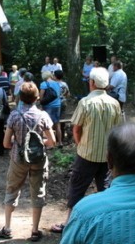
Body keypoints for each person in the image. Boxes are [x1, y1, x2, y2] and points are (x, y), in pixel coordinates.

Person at [51, 67, 121, 233]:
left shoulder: (86, 102)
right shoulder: (115, 104)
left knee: (77, 188)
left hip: (86, 154)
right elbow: (118, 130)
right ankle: (108, 225)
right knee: (106, 190)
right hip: (108, 156)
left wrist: (79, 144)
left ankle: (69, 223)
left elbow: (76, 129)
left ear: (92, 83)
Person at [0, 82, 55, 242]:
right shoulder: (43, 116)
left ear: (20, 98)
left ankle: (7, 228)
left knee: (12, 190)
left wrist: (17, 140)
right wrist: (39, 140)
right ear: (37, 98)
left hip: (18, 159)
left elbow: (6, 144)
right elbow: (52, 142)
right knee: (38, 191)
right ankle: (35, 230)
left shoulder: (14, 116)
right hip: (38, 160)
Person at [39, 71, 63, 147]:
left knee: (48, 125)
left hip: (48, 106)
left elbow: (41, 96)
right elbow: (58, 94)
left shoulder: (44, 84)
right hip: (57, 105)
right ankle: (60, 142)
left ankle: (51, 144)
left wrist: (41, 104)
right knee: (57, 124)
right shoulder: (57, 83)